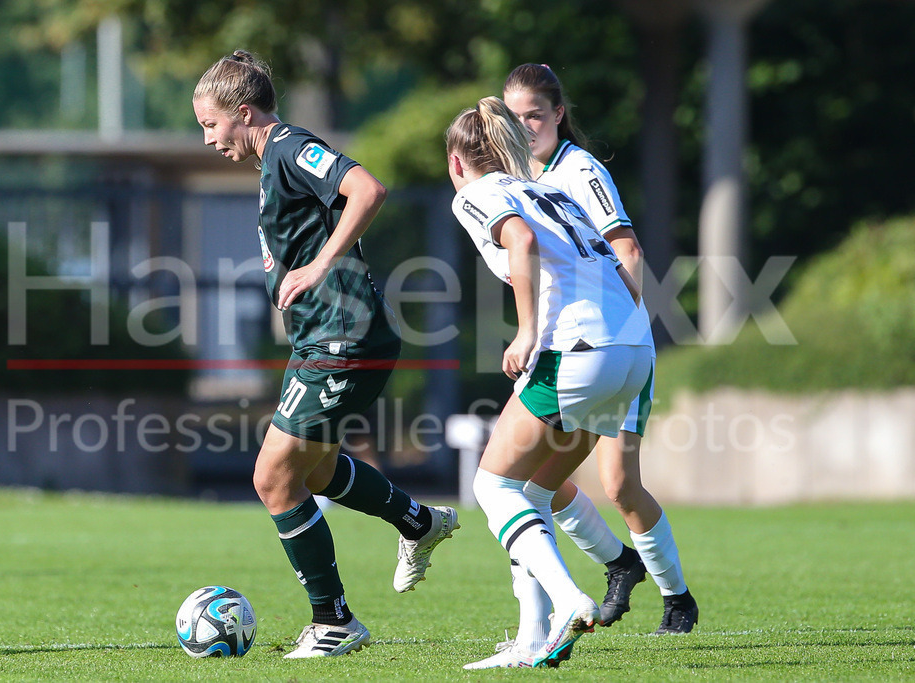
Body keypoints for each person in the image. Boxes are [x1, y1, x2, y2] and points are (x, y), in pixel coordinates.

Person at [192, 51, 459, 659]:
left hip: (344, 339)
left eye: (211, 125)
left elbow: (368, 188)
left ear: (243, 112)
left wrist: (318, 264)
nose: (208, 140)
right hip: (324, 341)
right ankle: (417, 521)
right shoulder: (271, 165)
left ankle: (333, 621)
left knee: (271, 477)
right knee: (310, 473)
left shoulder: (288, 147)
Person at [447, 96, 654, 668]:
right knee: (534, 492)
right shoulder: (548, 189)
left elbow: (523, 243)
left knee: (492, 488)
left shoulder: (477, 193)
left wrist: (527, 332)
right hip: (631, 349)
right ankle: (532, 637)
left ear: (457, 161)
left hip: (578, 350)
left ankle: (569, 600)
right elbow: (611, 262)